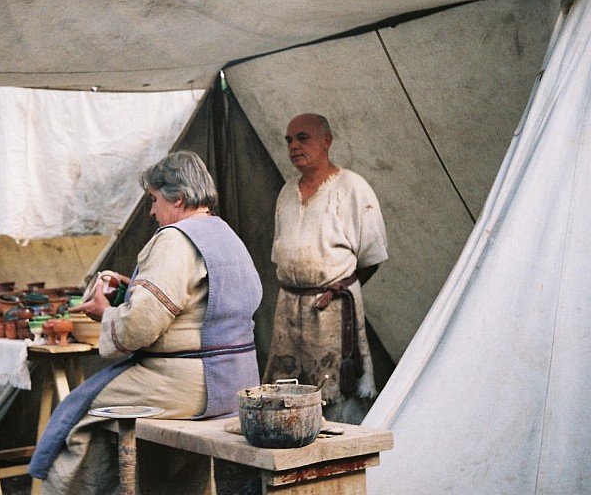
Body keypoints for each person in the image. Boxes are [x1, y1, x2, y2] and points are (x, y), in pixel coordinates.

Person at [29, 150, 262, 494]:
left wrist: (106, 313)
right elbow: (195, 305)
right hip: (238, 383)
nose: (151, 211)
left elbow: (139, 327)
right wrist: (135, 290)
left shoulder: (175, 238)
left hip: (191, 386)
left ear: (177, 197)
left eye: (154, 199)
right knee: (154, 445)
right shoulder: (225, 234)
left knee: (80, 411)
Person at [263, 113, 388, 425]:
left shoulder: (352, 187)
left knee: (335, 397)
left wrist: (337, 290)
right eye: (289, 140)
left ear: (327, 141)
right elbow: (282, 255)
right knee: (286, 396)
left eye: (302, 138)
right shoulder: (287, 192)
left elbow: (372, 258)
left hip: (332, 310)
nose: (293, 146)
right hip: (289, 310)